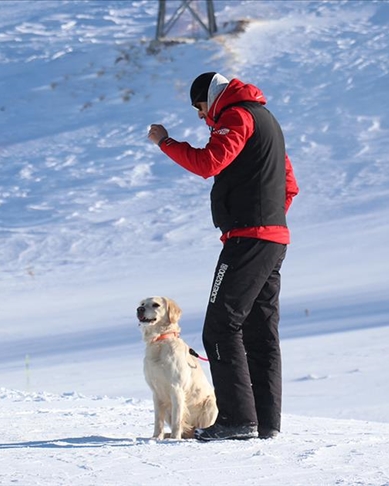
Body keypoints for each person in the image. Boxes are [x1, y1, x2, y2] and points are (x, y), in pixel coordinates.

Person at [147, 72, 298, 441]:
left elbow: (208, 163)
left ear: (212, 97)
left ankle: (236, 420)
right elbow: (289, 185)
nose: (201, 116)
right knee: (260, 332)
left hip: (248, 239)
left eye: (200, 108)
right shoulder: (267, 120)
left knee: (219, 327)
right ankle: (265, 422)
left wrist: (166, 142)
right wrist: (269, 219)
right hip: (272, 239)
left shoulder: (237, 115)